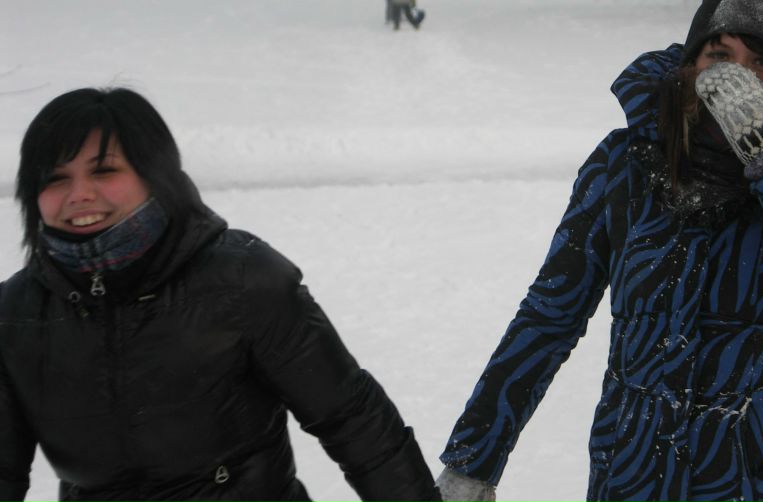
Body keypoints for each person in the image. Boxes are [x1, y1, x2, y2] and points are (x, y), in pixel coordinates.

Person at [436, 0, 763, 502]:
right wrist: (474, 459)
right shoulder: (625, 163)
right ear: (690, 66)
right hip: (636, 465)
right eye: (720, 56)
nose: (739, 78)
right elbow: (549, 315)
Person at [0, 87, 441, 502]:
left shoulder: (243, 280)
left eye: (105, 170)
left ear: (155, 175)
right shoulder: (15, 315)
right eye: (56, 179)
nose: (79, 194)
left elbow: (353, 421)